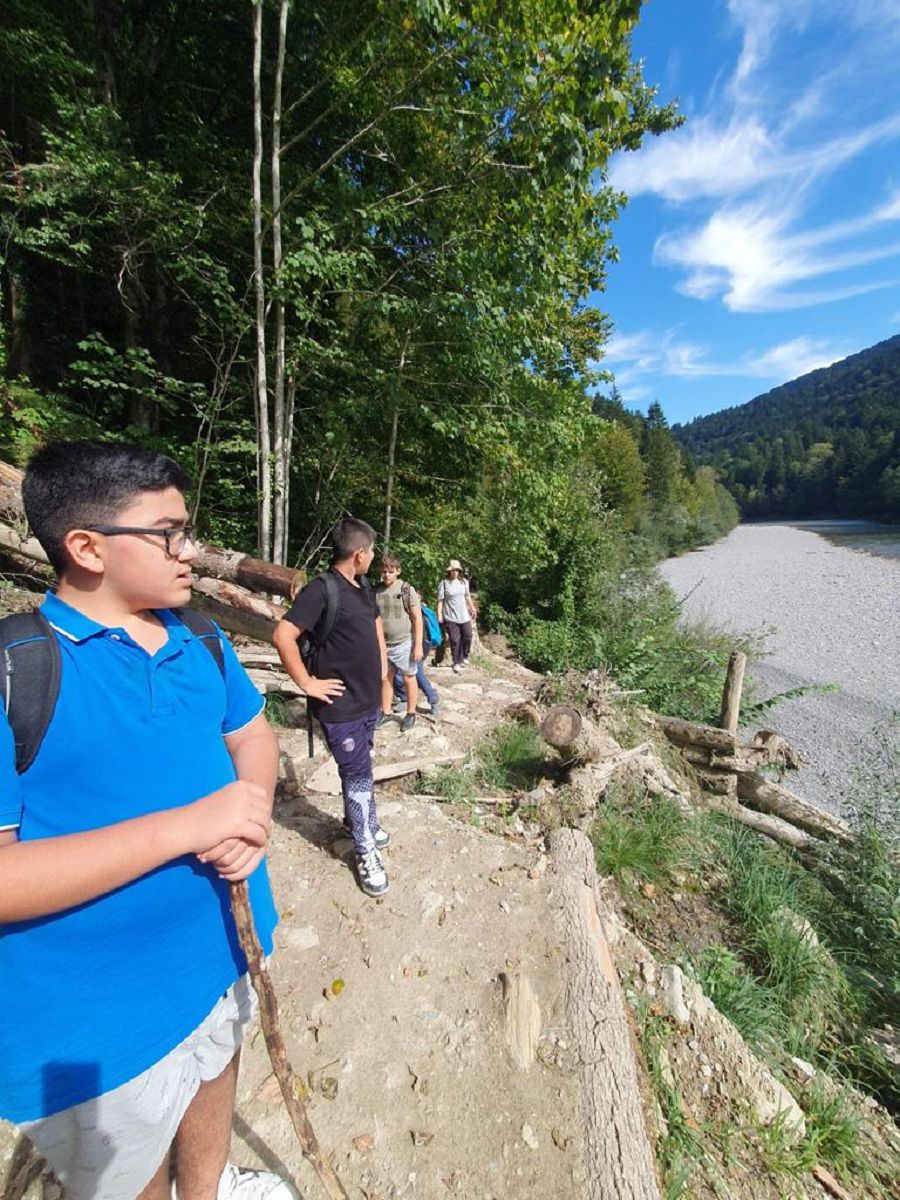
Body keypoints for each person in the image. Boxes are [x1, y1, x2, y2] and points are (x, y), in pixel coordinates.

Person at [0, 440, 289, 1200]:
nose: (191, 552)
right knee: (131, 1170)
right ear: (87, 548)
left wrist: (251, 810)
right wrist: (190, 826)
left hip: (224, 951)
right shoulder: (19, 670)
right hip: (99, 1018)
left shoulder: (200, 638)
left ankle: (209, 1187)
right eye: (169, 534)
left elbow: (252, 736)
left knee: (216, 1070)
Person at [272, 519, 390, 898]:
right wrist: (307, 683)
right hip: (340, 706)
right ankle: (364, 848)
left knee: (361, 767)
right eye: (371, 551)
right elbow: (283, 635)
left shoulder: (362, 585)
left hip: (367, 699)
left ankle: (363, 822)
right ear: (359, 554)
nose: (373, 557)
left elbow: (375, 626)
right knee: (356, 773)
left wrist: (383, 675)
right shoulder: (321, 590)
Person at [375, 553, 422, 732]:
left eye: (391, 571)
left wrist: (418, 645)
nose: (386, 574)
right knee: (386, 678)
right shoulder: (376, 591)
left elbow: (417, 618)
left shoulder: (406, 590)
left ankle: (411, 713)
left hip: (404, 643)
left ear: (398, 571)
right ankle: (386, 712)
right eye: (384, 571)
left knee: (409, 677)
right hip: (383, 645)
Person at [437, 558, 476, 674]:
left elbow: (467, 596)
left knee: (468, 636)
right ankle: (456, 662)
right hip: (450, 616)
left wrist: (472, 608)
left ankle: (464, 656)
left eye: (457, 570)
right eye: (453, 570)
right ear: (449, 571)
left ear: (459, 571)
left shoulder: (464, 582)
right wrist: (439, 615)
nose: (455, 572)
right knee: (454, 640)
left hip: (464, 615)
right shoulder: (444, 584)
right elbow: (440, 601)